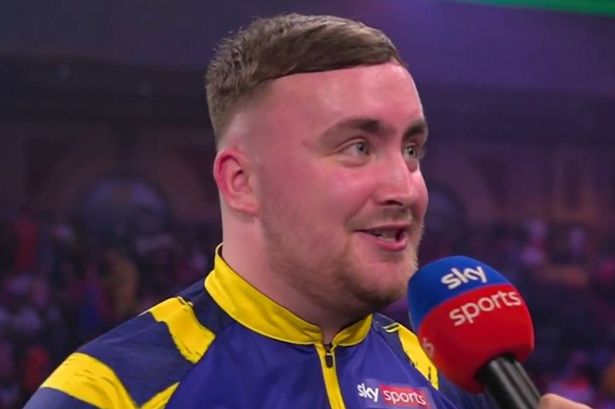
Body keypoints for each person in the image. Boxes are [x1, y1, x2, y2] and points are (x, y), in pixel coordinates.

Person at [25, 13, 591, 409]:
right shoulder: (110, 392)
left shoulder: (454, 382)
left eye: (412, 150)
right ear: (242, 183)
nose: (407, 188)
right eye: (358, 147)